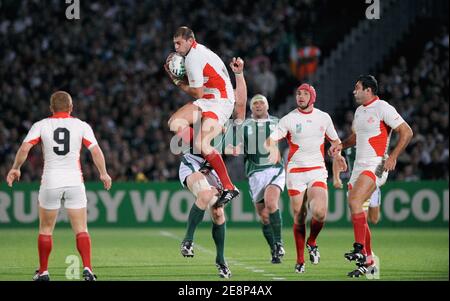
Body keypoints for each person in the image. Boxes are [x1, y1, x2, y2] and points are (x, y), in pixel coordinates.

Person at [6, 91, 112, 281]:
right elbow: (96, 150)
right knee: (81, 229)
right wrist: (103, 173)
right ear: (71, 108)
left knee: (45, 229)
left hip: (51, 180)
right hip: (74, 181)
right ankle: (87, 269)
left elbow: (24, 148)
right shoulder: (81, 125)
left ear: (51, 108)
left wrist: (16, 168)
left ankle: (44, 272)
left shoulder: (41, 125)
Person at [330, 75, 413, 277]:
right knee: (357, 209)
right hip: (359, 166)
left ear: (368, 90)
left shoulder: (383, 107)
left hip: (377, 163)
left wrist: (393, 156)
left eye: (357, 88)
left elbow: (407, 132)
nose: (354, 91)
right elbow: (357, 137)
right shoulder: (359, 111)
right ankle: (368, 261)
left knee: (356, 201)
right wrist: (342, 145)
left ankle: (360, 250)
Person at [265, 84, 346, 273]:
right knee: (299, 216)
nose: (300, 96)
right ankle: (300, 260)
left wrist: (338, 153)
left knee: (320, 213)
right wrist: (274, 149)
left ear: (312, 97)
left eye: (305, 93)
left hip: (317, 169)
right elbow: (270, 140)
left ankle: (312, 241)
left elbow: (335, 142)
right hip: (296, 173)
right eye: (298, 93)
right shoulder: (288, 119)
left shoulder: (323, 117)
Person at [164, 26, 240, 207]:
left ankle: (230, 187)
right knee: (175, 123)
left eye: (179, 43)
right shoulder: (195, 52)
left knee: (201, 143)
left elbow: (197, 93)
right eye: (174, 43)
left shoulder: (193, 58)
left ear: (190, 41)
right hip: (210, 97)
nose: (176, 47)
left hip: (220, 101)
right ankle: (209, 157)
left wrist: (177, 82)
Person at [228, 94, 286, 264]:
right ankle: (274, 249)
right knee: (264, 216)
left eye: (262, 103)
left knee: (271, 202)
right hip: (255, 173)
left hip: (275, 170)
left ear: (267, 106)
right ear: (251, 107)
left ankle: (279, 242)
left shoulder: (277, 122)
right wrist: (235, 148)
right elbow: (237, 145)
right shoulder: (244, 125)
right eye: (255, 103)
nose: (258, 105)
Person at [332, 147, 380, 277]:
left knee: (373, 219)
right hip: (354, 185)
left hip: (369, 182)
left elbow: (382, 156)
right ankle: (368, 262)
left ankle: (367, 260)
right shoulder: (348, 144)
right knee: (362, 220)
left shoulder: (370, 139)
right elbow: (336, 157)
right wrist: (337, 177)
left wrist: (379, 177)